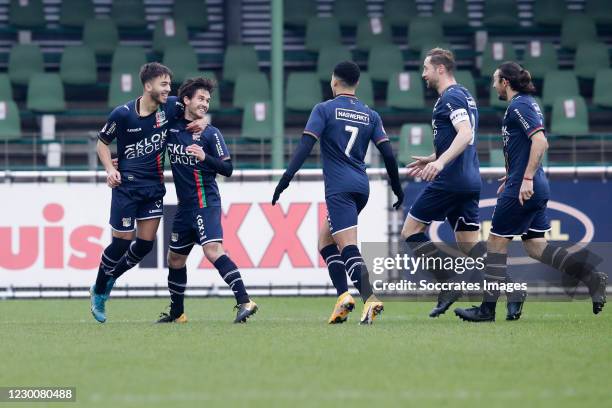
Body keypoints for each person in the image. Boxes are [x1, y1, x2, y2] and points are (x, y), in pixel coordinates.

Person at [454, 62, 607, 322]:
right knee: (536, 247)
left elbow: (540, 140)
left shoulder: (520, 105)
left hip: (525, 186)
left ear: (505, 82)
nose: (493, 85)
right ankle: (590, 277)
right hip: (532, 183)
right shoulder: (526, 104)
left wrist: (524, 178)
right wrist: (514, 173)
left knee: (495, 243)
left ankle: (487, 310)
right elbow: (523, 145)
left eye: (495, 80)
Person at [272, 61, 404, 325]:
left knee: (348, 246)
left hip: (339, 189)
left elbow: (305, 146)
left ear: (334, 81)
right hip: (361, 187)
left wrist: (285, 179)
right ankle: (343, 296)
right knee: (325, 241)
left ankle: (370, 298)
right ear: (356, 84)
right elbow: (388, 153)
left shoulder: (324, 110)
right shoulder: (370, 114)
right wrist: (397, 187)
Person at [90, 63, 204, 323]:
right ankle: (98, 289)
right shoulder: (123, 114)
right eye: (163, 84)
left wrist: (202, 121)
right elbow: (102, 143)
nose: (168, 89)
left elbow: (195, 110)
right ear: (148, 85)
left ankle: (110, 279)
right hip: (126, 188)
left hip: (153, 187)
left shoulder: (172, 107)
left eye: (169, 85)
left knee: (144, 245)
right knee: (121, 242)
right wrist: (110, 169)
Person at [156, 77, 258, 324]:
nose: (205, 104)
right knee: (175, 259)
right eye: (200, 98)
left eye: (208, 100)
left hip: (206, 203)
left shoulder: (211, 133)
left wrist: (204, 157)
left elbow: (228, 168)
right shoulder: (172, 130)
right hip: (184, 208)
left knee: (212, 251)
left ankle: (245, 301)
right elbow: (161, 104)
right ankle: (177, 313)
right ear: (186, 100)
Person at [400, 48, 489, 318]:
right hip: (470, 178)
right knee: (471, 248)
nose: (423, 74)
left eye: (426, 68)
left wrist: (439, 164)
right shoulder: (464, 96)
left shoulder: (450, 97)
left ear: (440, 69)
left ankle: (449, 280)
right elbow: (461, 139)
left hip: (452, 179)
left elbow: (465, 133)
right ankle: (504, 296)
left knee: (410, 231)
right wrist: (433, 157)